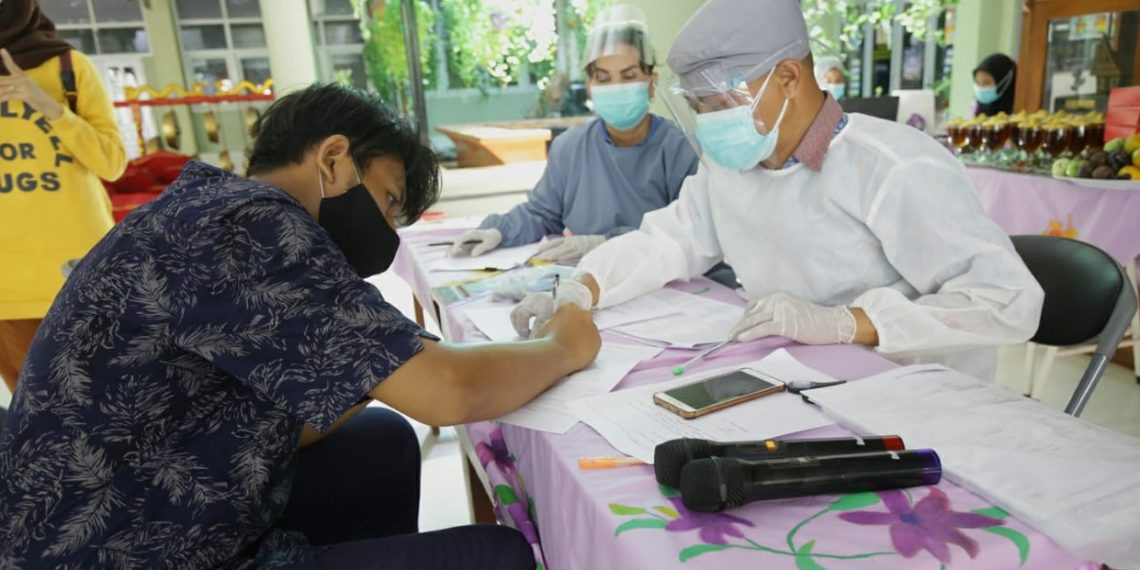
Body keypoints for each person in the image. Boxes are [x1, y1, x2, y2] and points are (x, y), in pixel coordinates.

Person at [0, 83, 601, 569]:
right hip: (133, 547)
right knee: (495, 555)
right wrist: (559, 347)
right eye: (389, 202)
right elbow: (450, 392)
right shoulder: (253, 227)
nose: (387, 231)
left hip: (99, 511)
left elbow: (308, 396)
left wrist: (390, 369)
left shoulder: (207, 206)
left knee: (381, 441)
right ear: (334, 159)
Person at [512, 0, 1043, 381]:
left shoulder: (894, 168)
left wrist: (847, 323)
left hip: (918, 395)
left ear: (788, 77)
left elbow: (1009, 303)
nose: (708, 125)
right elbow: (667, 241)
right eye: (698, 109)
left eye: (720, 106)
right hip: (804, 383)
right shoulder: (734, 167)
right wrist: (583, 287)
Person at [448, 5, 698, 264]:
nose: (616, 87)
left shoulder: (680, 148)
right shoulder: (570, 147)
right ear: (589, 86)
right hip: (589, 284)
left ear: (651, 82)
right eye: (603, 78)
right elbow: (541, 213)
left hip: (666, 282)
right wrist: (498, 230)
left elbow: (688, 232)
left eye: (629, 76)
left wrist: (604, 243)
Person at [0, 0, 126, 394]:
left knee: (108, 404)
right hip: (8, 287)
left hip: (80, 274)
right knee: (36, 421)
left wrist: (50, 107)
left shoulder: (69, 67)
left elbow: (112, 162)